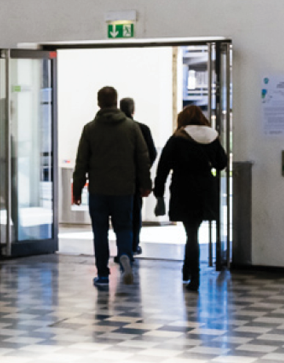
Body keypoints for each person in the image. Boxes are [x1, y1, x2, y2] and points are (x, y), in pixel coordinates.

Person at [70, 85, 151, 288]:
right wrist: (145, 184)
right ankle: (124, 256)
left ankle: (103, 274)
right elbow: (142, 157)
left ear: (99, 102)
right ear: (116, 101)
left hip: (98, 190)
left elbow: (82, 162)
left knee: (100, 231)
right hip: (125, 190)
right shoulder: (131, 128)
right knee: (124, 228)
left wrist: (77, 189)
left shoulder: (90, 129)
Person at [153, 105, 227, 290]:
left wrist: (159, 194)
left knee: (191, 233)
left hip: (183, 187)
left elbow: (163, 168)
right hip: (205, 187)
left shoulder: (178, 138)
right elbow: (221, 163)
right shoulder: (212, 137)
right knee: (193, 232)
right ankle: (189, 269)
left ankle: (193, 274)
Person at [119, 97, 155, 263]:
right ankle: (133, 245)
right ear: (133, 110)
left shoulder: (115, 129)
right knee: (135, 213)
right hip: (136, 179)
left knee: (120, 215)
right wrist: (144, 172)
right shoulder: (142, 128)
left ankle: (123, 249)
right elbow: (151, 153)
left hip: (117, 179)